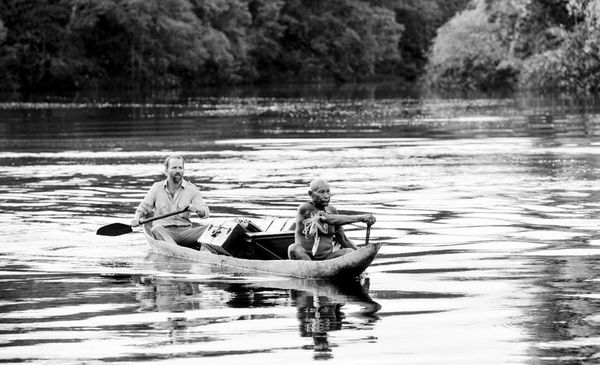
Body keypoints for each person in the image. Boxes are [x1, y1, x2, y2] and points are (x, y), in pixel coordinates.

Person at [131, 154, 209, 248]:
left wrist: (198, 210)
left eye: (180, 168)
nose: (178, 171)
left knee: (210, 228)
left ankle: (178, 248)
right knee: (156, 229)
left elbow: (206, 213)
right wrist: (136, 218)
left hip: (184, 233)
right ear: (166, 171)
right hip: (163, 232)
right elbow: (143, 208)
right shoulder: (156, 188)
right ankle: (177, 249)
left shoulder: (192, 189)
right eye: (174, 168)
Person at [288, 178, 376, 260]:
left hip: (327, 259)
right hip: (306, 258)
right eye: (321, 192)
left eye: (328, 191)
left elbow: (342, 239)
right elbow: (327, 218)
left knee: (349, 252)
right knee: (293, 248)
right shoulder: (305, 208)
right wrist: (361, 218)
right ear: (310, 194)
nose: (326, 196)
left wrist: (362, 253)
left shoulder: (332, 210)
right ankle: (312, 271)